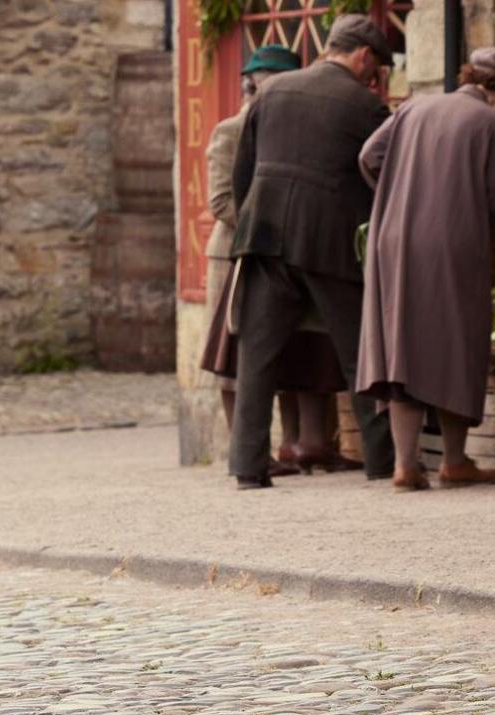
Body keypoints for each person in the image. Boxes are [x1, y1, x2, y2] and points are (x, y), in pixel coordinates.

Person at [227, 15, 396, 489]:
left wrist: (250, 223)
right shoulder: (365, 105)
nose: (375, 78)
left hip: (264, 234)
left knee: (257, 357)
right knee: (359, 354)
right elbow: (381, 179)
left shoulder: (274, 91)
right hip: (329, 241)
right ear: (363, 57)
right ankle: (382, 462)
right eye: (376, 68)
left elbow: (245, 170)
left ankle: (247, 467)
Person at [201, 45, 356, 477]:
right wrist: (264, 228)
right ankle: (246, 453)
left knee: (297, 349)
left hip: (279, 252)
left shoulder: (289, 128)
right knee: (234, 355)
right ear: (256, 85)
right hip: (237, 252)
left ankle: (299, 445)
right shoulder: (230, 129)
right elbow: (220, 200)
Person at [356, 47, 495, 491]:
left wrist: (399, 195)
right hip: (456, 240)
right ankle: (454, 461)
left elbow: (368, 156)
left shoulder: (414, 106)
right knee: (457, 342)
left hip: (392, 239)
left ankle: (405, 465)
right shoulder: (488, 123)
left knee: (402, 346)